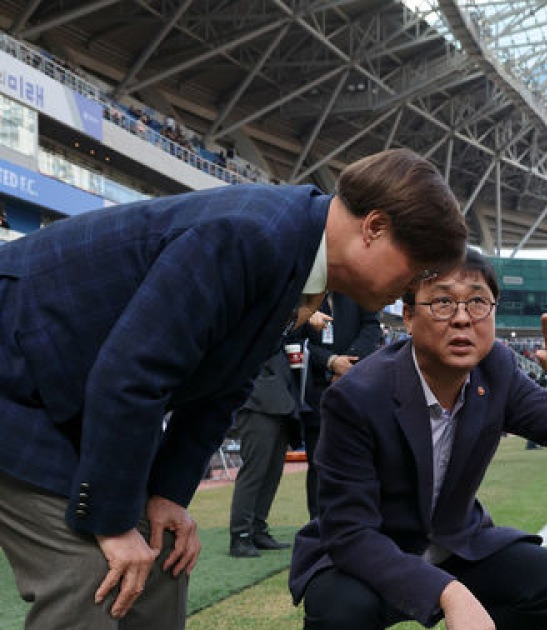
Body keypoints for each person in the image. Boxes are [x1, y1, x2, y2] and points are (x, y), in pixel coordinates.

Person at [0, 148, 466, 630]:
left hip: (59, 393)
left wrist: (166, 494)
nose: (412, 289)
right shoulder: (253, 234)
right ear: (374, 227)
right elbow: (133, 374)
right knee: (91, 573)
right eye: (417, 269)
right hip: (14, 378)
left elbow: (224, 384)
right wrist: (114, 523)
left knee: (163, 555)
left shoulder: (296, 249)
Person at [289, 250, 547, 630]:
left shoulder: (497, 370)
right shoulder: (357, 395)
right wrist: (450, 592)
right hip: (372, 551)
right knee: (341, 611)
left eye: (477, 302)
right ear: (408, 318)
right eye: (443, 302)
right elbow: (349, 533)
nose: (462, 318)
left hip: (455, 543)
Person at [299, 291, 383, 519]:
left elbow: (371, 327)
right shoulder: (304, 298)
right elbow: (296, 341)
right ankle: (317, 523)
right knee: (318, 461)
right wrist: (332, 362)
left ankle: (355, 519)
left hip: (357, 385)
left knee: (359, 457)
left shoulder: (358, 292)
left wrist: (349, 362)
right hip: (317, 390)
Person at [228, 347, 302, 558]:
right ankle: (240, 535)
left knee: (272, 472)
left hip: (280, 399)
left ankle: (257, 529)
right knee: (255, 472)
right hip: (256, 400)